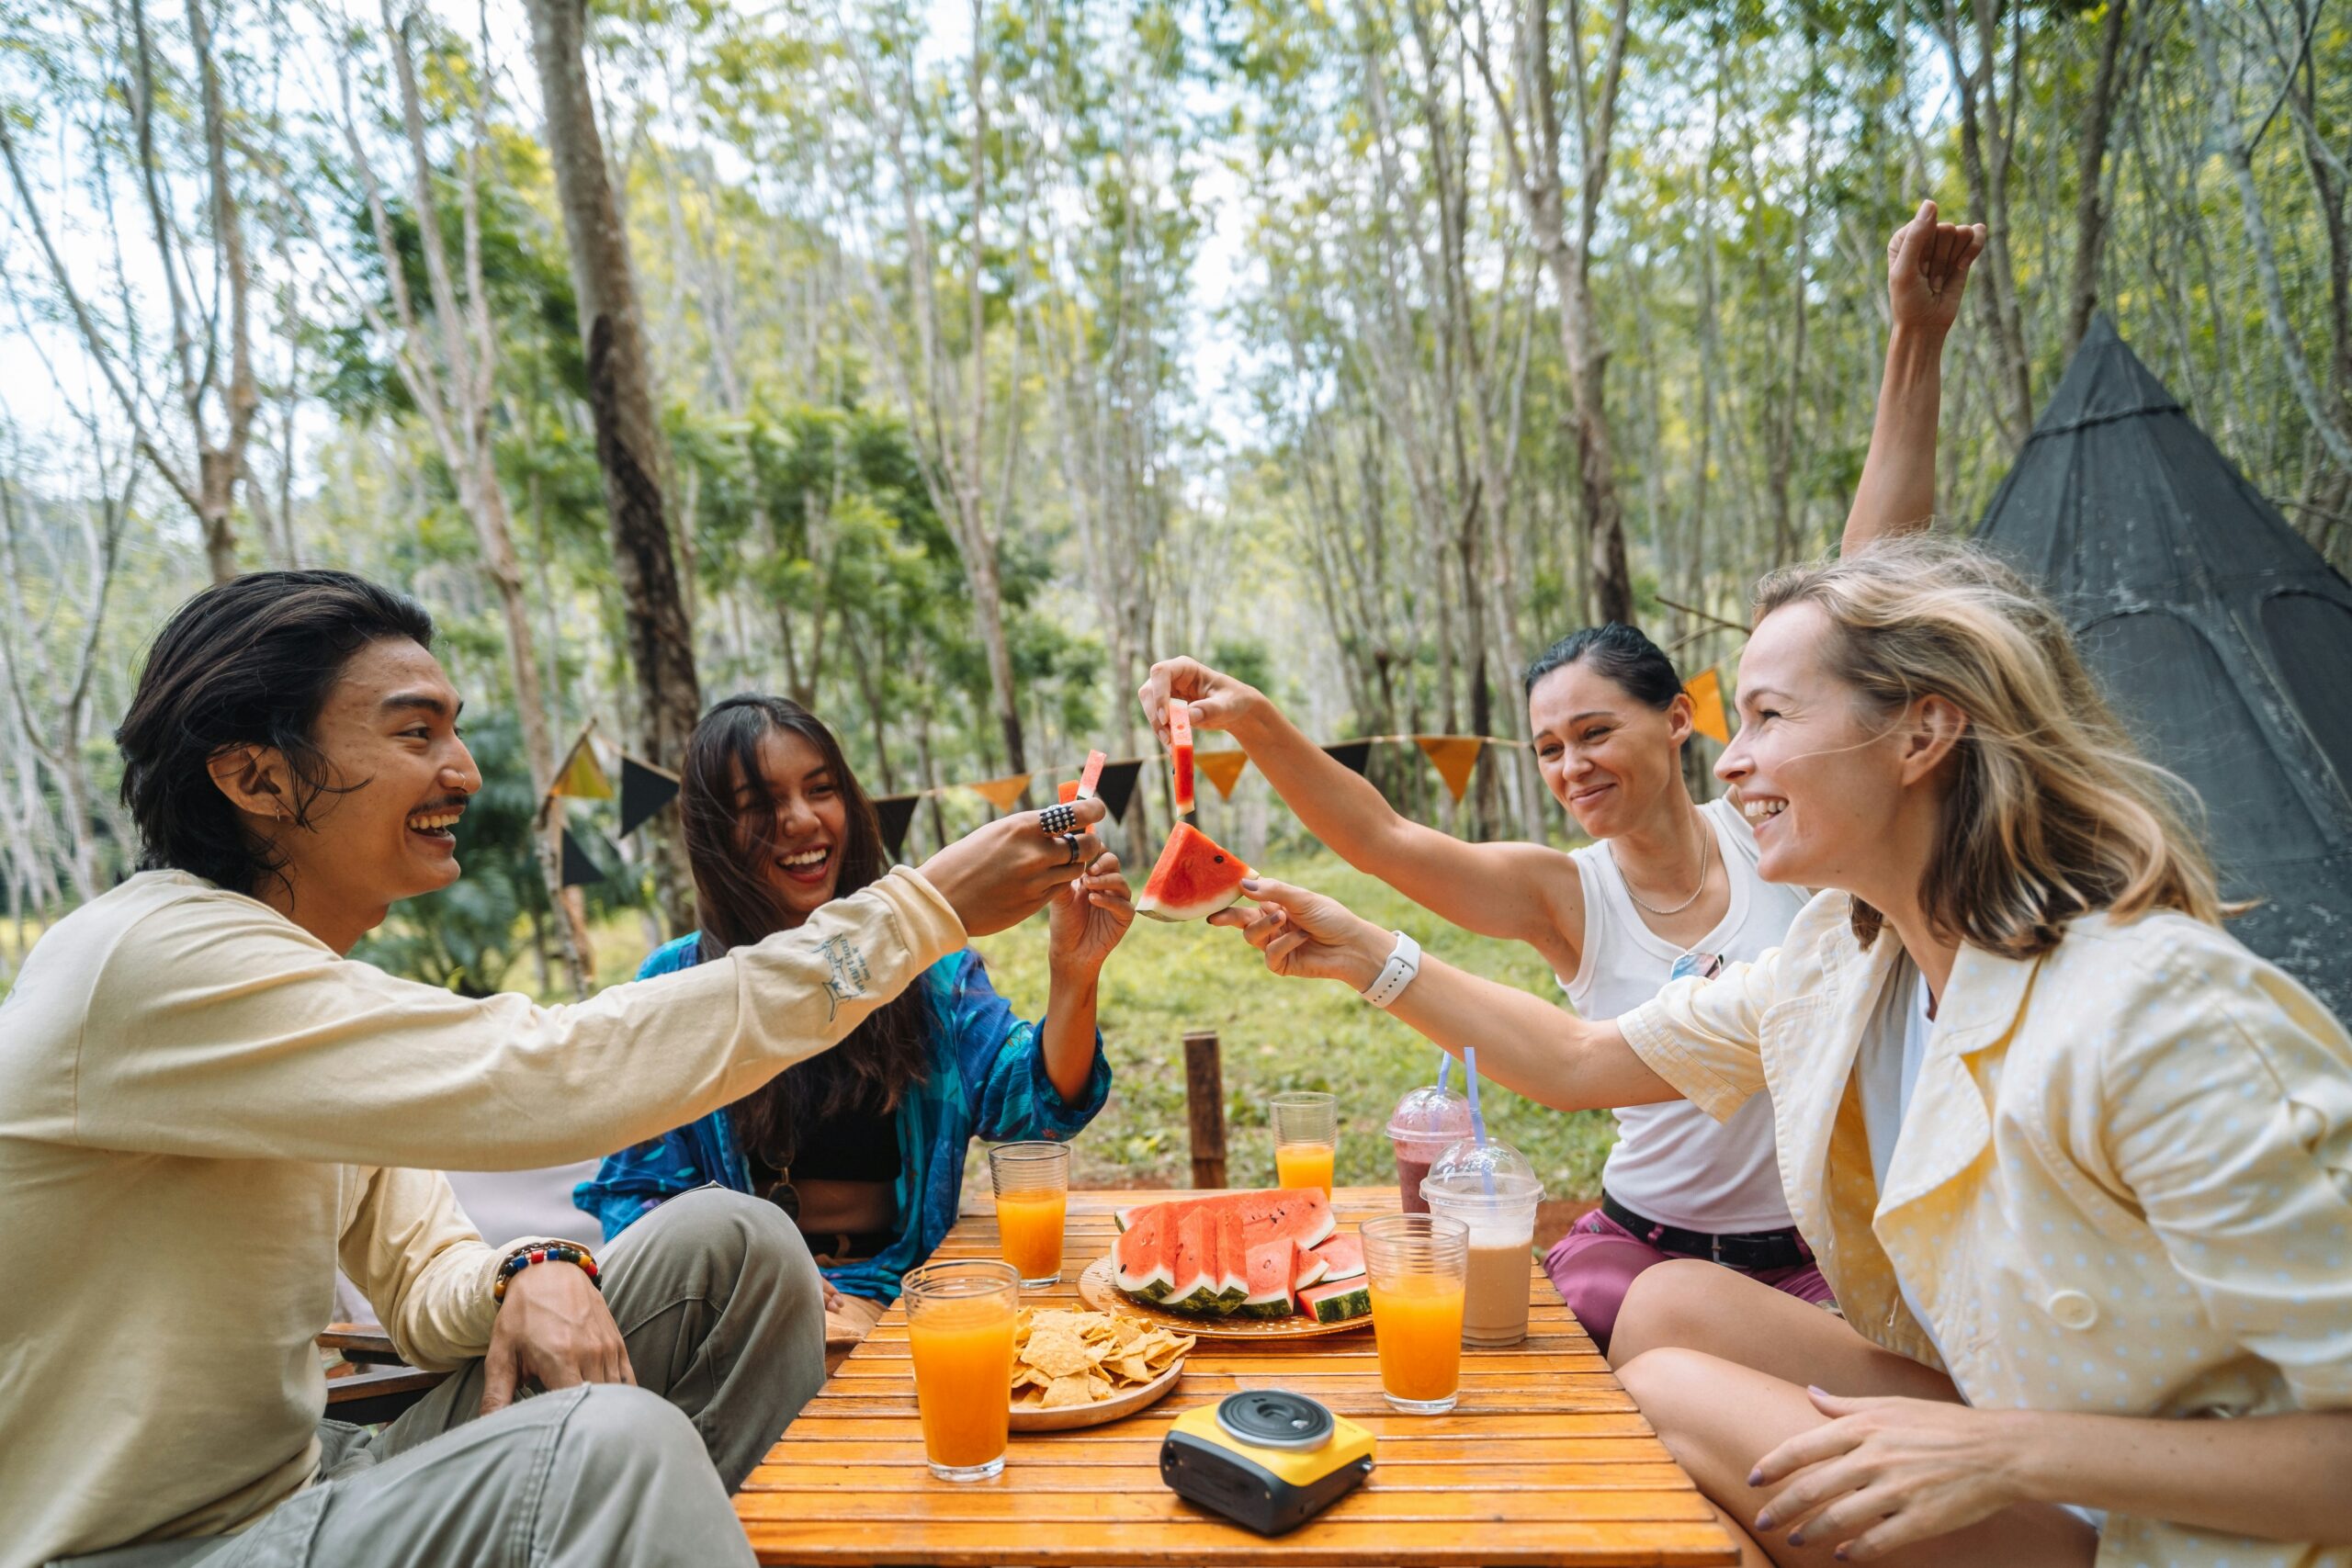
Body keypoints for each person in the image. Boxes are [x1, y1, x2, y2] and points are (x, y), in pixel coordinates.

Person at [1213, 536, 2352, 1565]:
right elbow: (1572, 1060)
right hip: (2003, 1422)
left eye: (1766, 717)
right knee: (1667, 1312)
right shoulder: (1844, 967)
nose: (1729, 760)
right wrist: (1366, 954)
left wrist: (2004, 1456)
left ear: (1923, 729)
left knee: (1661, 1390)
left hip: (2145, 1522)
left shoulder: (2162, 1016)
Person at [0, 570, 1109, 1568]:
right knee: (610, 1439)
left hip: (315, 1488)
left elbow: (427, 1271)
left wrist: (529, 1260)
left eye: (456, 729)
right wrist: (918, 908)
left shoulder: (311, 994)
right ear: (254, 776)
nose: (464, 771)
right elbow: (557, 1070)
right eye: (414, 732)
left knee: (735, 1240)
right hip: (144, 1547)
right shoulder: (146, 964)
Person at [1139, 199, 1986, 1348]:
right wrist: (1253, 721)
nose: (1570, 765)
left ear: (1681, 720)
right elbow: (1388, 844)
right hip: (1631, 1240)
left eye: (1595, 732)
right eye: (1546, 747)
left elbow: (1865, 620)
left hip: (1802, 1258)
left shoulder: (1792, 835)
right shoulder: (1564, 892)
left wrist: (1913, 346)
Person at [577, 695, 1133, 1352]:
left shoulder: (926, 967)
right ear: (713, 831)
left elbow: (1033, 1108)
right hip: (737, 1310)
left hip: (902, 1295)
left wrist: (1074, 973)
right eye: (760, 803)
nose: (801, 820)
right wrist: (751, 1266)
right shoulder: (677, 985)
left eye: (821, 789)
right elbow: (632, 1197)